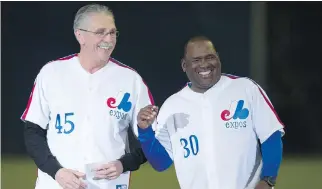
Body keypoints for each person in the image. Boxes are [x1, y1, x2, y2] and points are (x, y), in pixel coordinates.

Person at [21, 4, 153, 189]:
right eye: (100, 32)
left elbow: (150, 141)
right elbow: (33, 131)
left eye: (112, 32)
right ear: (80, 35)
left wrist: (123, 164)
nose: (108, 39)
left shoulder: (131, 80)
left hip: (109, 185)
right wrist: (56, 172)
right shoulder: (52, 73)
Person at [137, 36, 284, 189]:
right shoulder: (172, 106)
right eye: (196, 60)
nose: (204, 64)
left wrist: (268, 180)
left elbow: (270, 136)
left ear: (218, 59)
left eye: (210, 57)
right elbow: (160, 162)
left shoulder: (245, 89)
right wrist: (145, 131)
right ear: (184, 65)